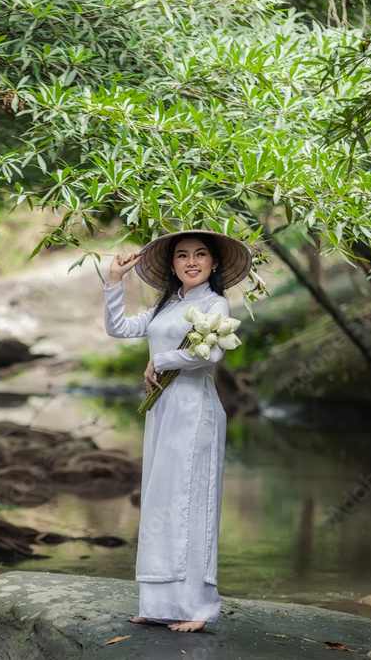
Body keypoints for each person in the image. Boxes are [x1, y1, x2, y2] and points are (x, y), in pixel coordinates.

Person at [102, 229, 252, 633]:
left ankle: (198, 608)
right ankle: (159, 603)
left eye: (200, 255)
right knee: (161, 499)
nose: (191, 262)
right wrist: (113, 281)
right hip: (163, 411)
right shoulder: (168, 305)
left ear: (214, 263)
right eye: (182, 256)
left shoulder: (215, 302)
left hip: (194, 410)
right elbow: (118, 328)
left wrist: (161, 359)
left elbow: (213, 351)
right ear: (172, 265)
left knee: (191, 501)